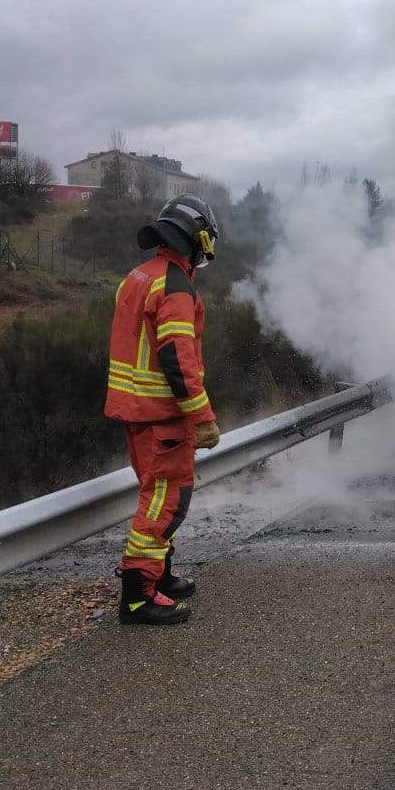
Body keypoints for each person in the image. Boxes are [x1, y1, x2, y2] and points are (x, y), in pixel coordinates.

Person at [104, 195, 222, 625]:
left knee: (158, 497)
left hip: (137, 410)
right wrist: (203, 417)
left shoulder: (139, 276)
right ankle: (138, 596)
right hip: (163, 416)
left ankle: (160, 577)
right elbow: (177, 357)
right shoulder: (174, 286)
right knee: (165, 503)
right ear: (197, 238)